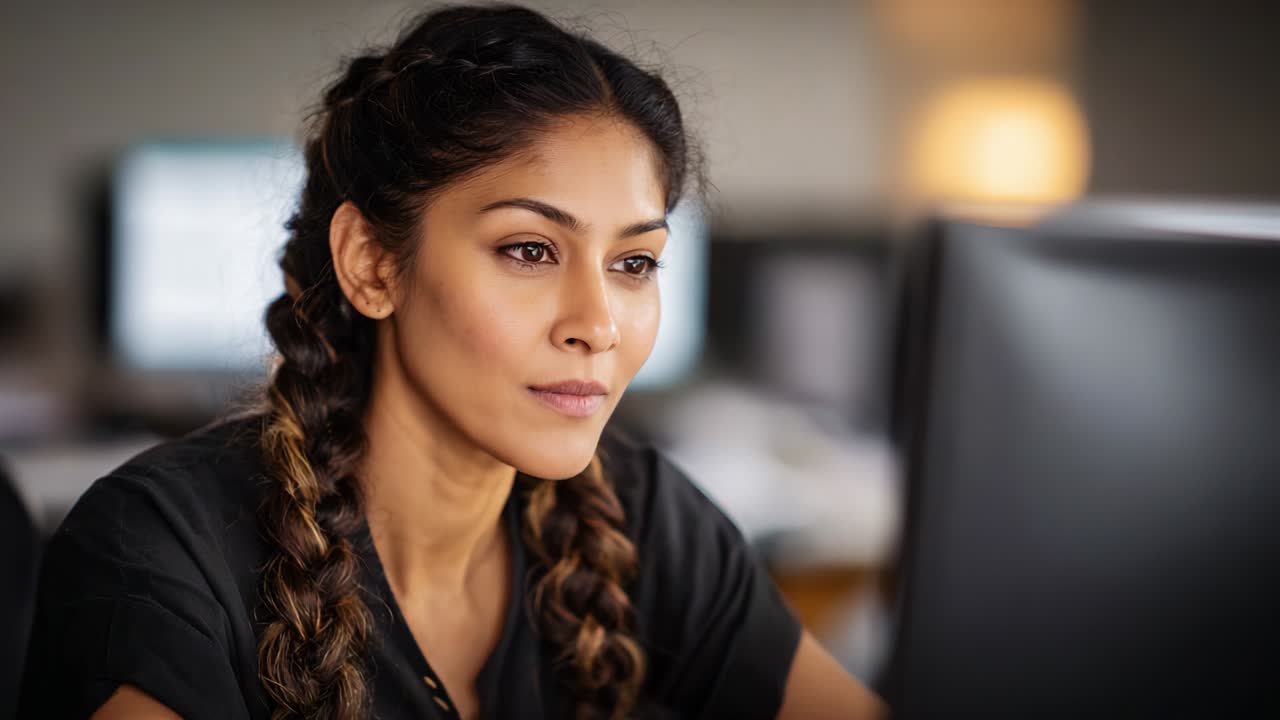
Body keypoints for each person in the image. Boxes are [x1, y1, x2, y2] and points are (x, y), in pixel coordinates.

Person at [19, 4, 885, 719]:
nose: (599, 324)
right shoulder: (161, 548)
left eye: (634, 264)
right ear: (371, 263)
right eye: (529, 251)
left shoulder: (643, 518)